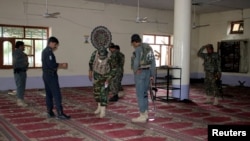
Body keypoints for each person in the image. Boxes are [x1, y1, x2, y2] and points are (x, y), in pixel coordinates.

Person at [41, 36, 70, 119]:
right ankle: (60, 113)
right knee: (56, 94)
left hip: (46, 75)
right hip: (51, 76)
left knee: (49, 94)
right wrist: (61, 65)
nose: (55, 47)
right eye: (55, 45)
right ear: (52, 43)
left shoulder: (45, 51)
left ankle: (50, 111)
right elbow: (51, 65)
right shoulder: (48, 52)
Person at [130, 34, 156, 123]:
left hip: (140, 73)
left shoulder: (138, 49)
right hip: (148, 72)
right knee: (145, 94)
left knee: (140, 94)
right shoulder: (149, 48)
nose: (133, 45)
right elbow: (153, 62)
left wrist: (135, 70)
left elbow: (136, 62)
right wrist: (152, 75)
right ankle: (146, 113)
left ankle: (142, 115)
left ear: (134, 42)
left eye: (132, 43)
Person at [89, 46, 118, 118]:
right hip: (96, 74)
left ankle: (103, 110)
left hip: (106, 75)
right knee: (97, 92)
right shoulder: (94, 54)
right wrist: (90, 72)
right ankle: (99, 107)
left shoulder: (111, 57)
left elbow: (114, 69)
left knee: (104, 92)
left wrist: (109, 78)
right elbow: (90, 63)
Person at [12, 41, 29, 107]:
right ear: (20, 46)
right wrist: (25, 59)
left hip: (22, 72)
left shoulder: (21, 53)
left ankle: (21, 99)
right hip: (19, 72)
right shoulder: (16, 52)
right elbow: (16, 61)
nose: (24, 47)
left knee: (22, 86)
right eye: (23, 46)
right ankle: (19, 100)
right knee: (20, 86)